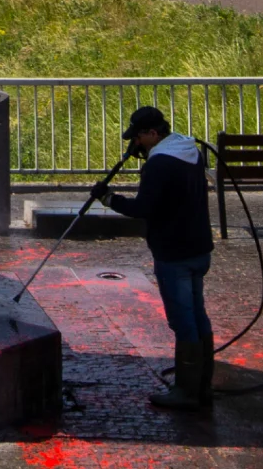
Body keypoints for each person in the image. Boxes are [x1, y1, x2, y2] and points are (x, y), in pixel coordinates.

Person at [91, 105, 214, 410]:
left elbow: (143, 208)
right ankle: (202, 384)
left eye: (138, 138)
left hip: (174, 252)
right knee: (198, 315)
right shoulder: (191, 152)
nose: (136, 145)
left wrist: (109, 198)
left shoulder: (159, 164)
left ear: (152, 133)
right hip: (199, 247)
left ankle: (186, 392)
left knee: (183, 320)